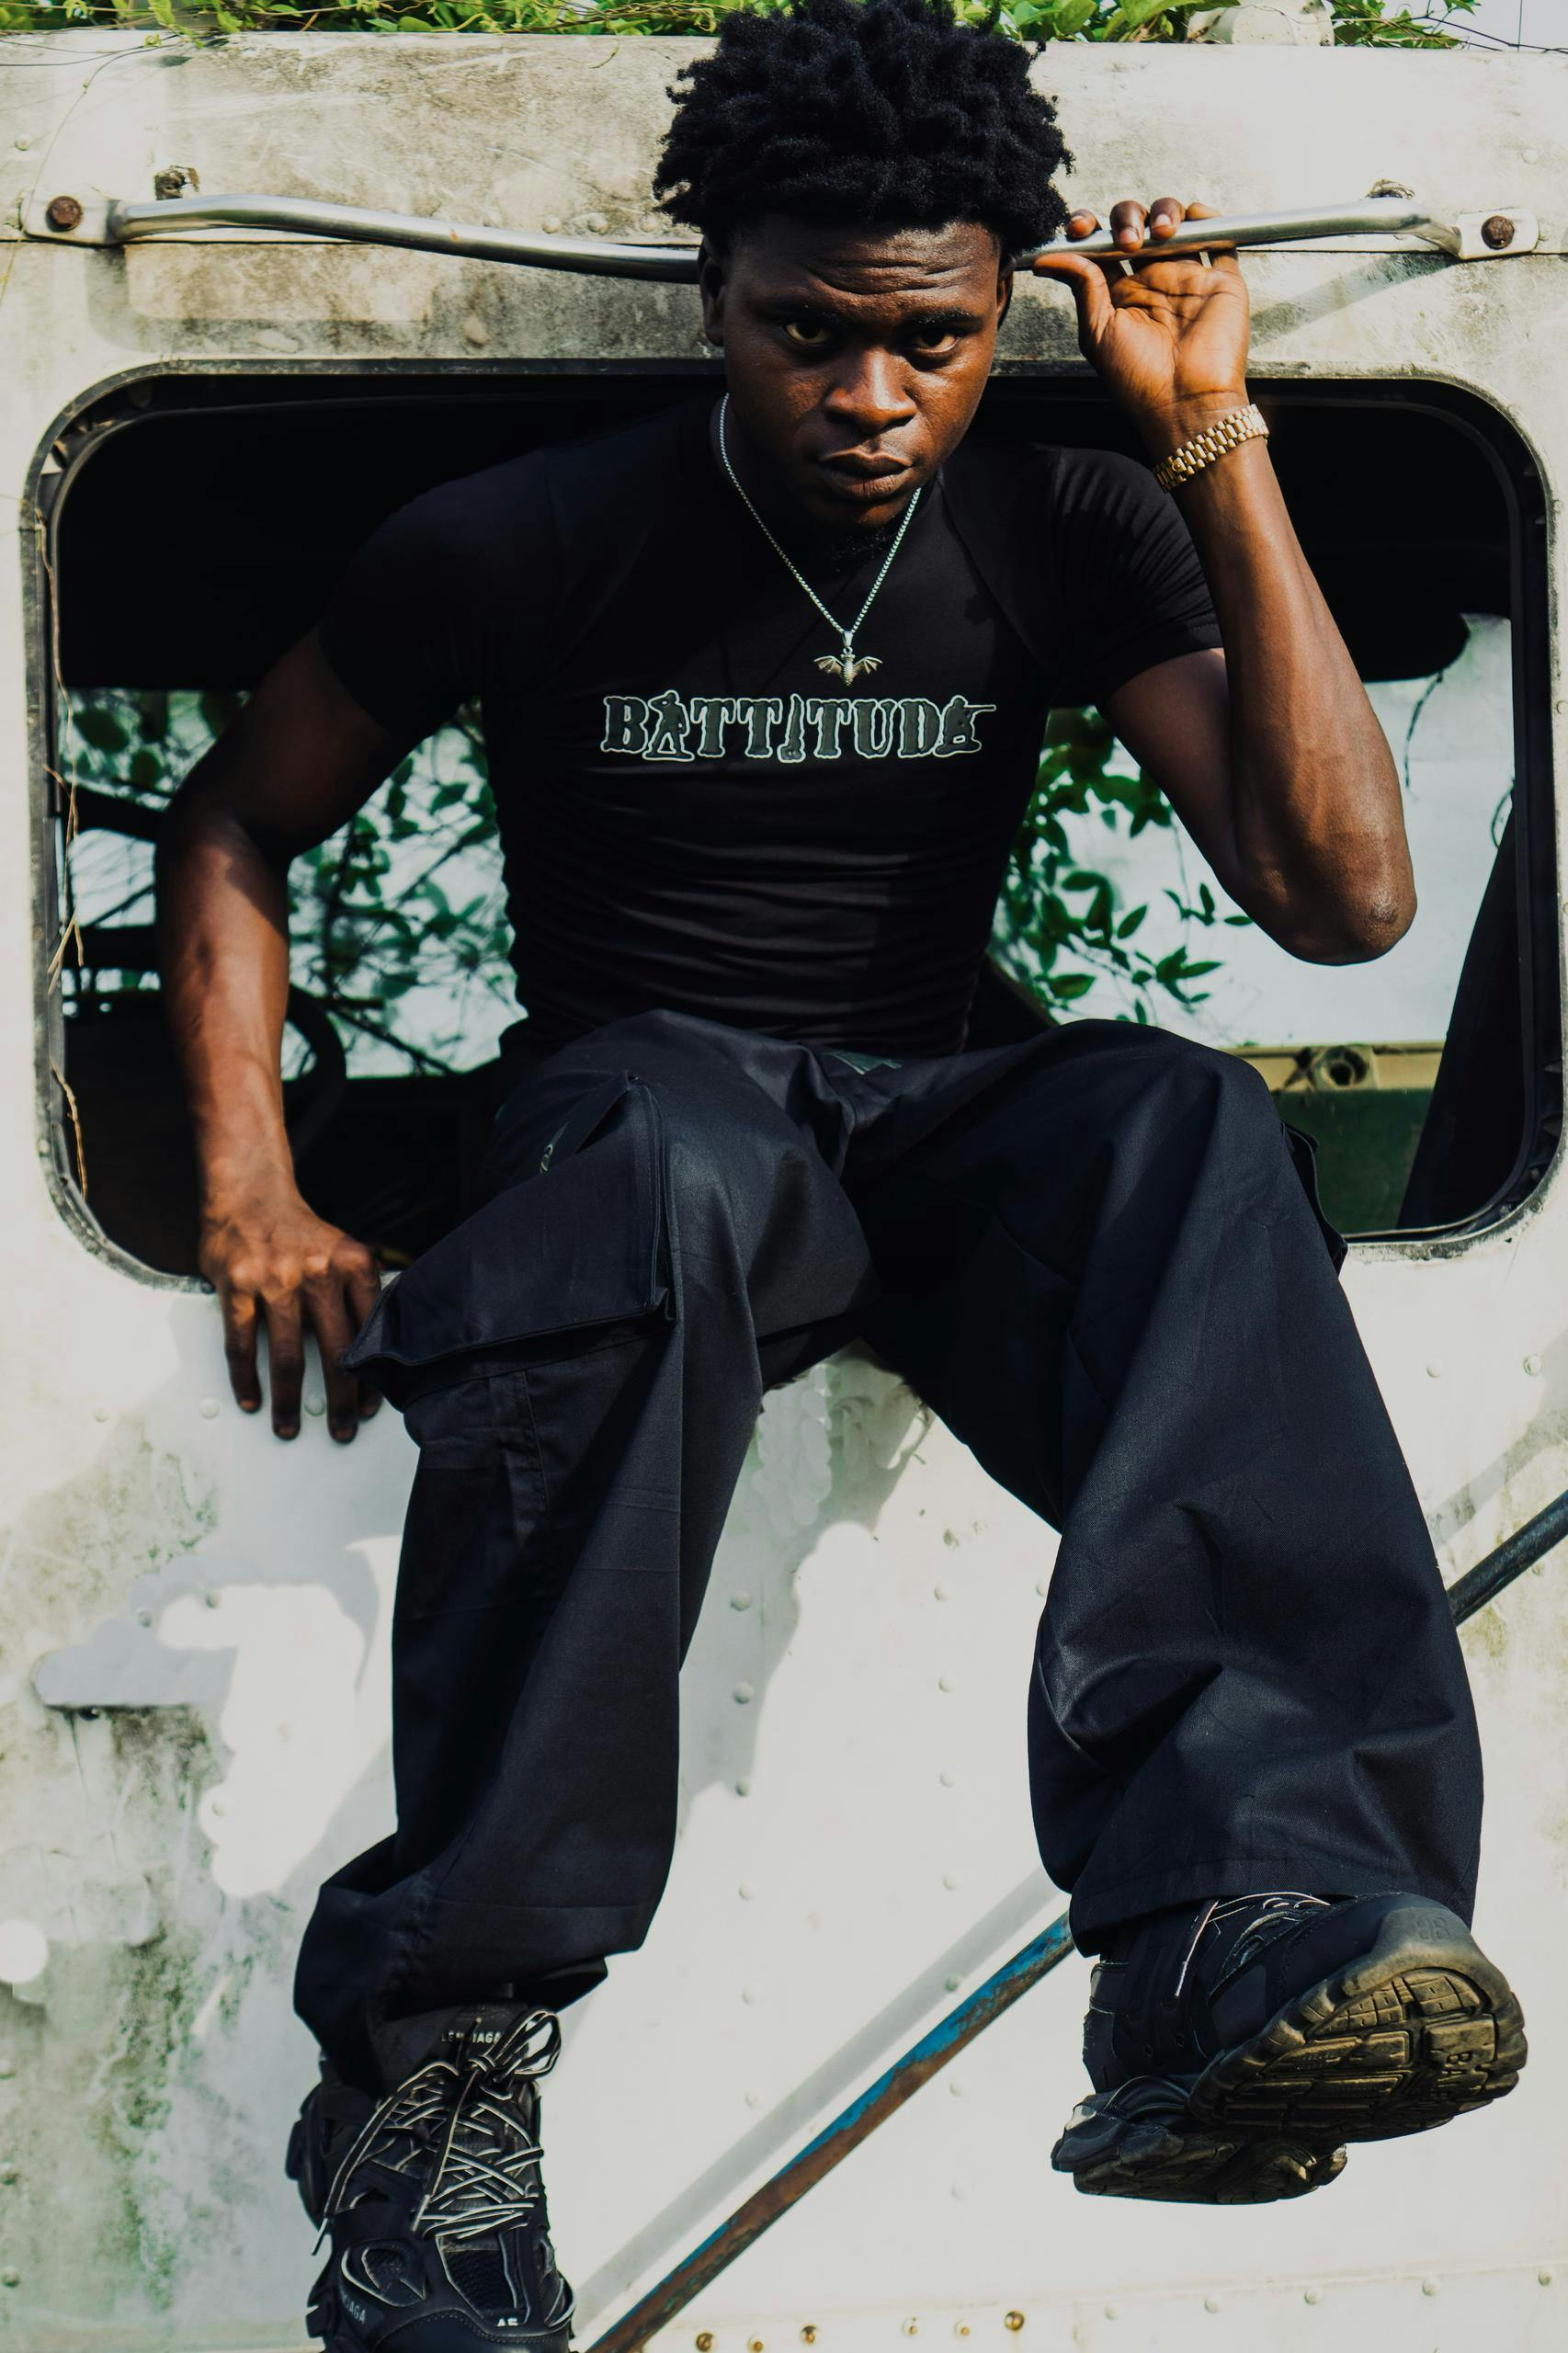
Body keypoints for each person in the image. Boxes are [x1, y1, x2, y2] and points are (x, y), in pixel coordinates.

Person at [157, 0, 1525, 2340]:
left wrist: (1209, 439)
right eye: (810, 334)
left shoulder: (1071, 516)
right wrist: (251, 1178)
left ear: (1004, 318)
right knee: (658, 1168)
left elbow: (1338, 901)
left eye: (932, 340)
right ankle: (436, 2069)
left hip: (927, 1113)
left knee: (1181, 1114)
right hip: (649, 1093)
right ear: (716, 295)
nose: (871, 397)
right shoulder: (522, 536)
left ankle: (1241, 1915)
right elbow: (235, 815)